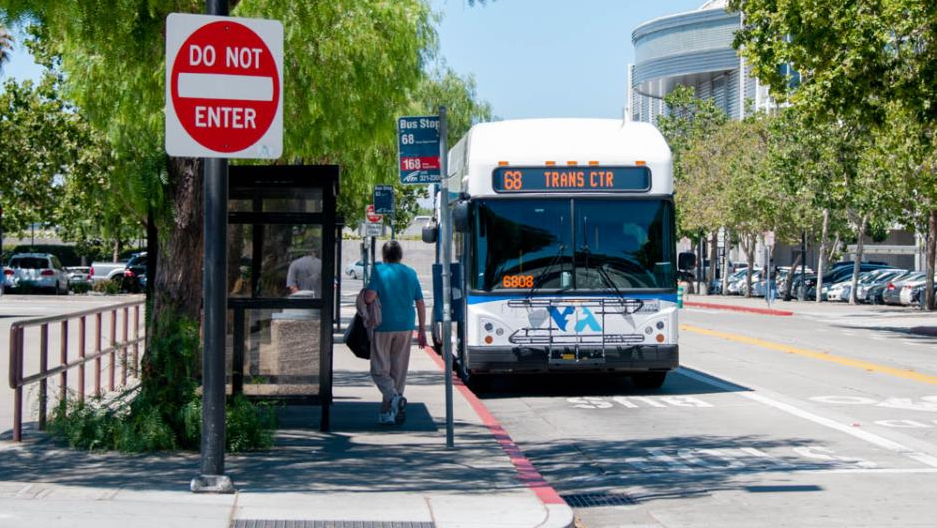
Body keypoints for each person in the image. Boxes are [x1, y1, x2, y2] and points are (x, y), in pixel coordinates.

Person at [364, 240, 427, 425]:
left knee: (378, 369)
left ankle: (393, 399)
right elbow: (420, 302)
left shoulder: (379, 271)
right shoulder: (410, 272)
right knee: (398, 371)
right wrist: (422, 329)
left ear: (384, 256)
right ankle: (388, 412)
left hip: (383, 325)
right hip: (406, 326)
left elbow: (369, 297)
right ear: (400, 255)